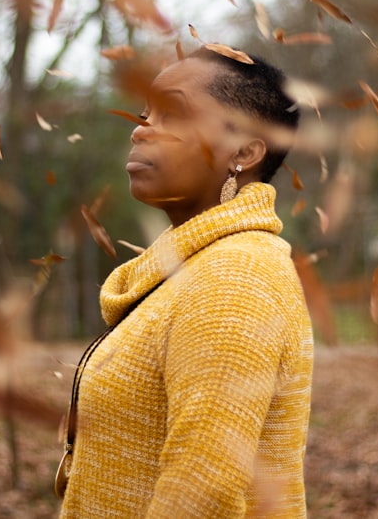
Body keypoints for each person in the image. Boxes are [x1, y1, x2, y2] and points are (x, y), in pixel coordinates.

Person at [56, 47, 314, 518]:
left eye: (172, 113)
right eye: (145, 114)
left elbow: (203, 493)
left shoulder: (235, 279)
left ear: (245, 150)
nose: (140, 129)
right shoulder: (194, 267)